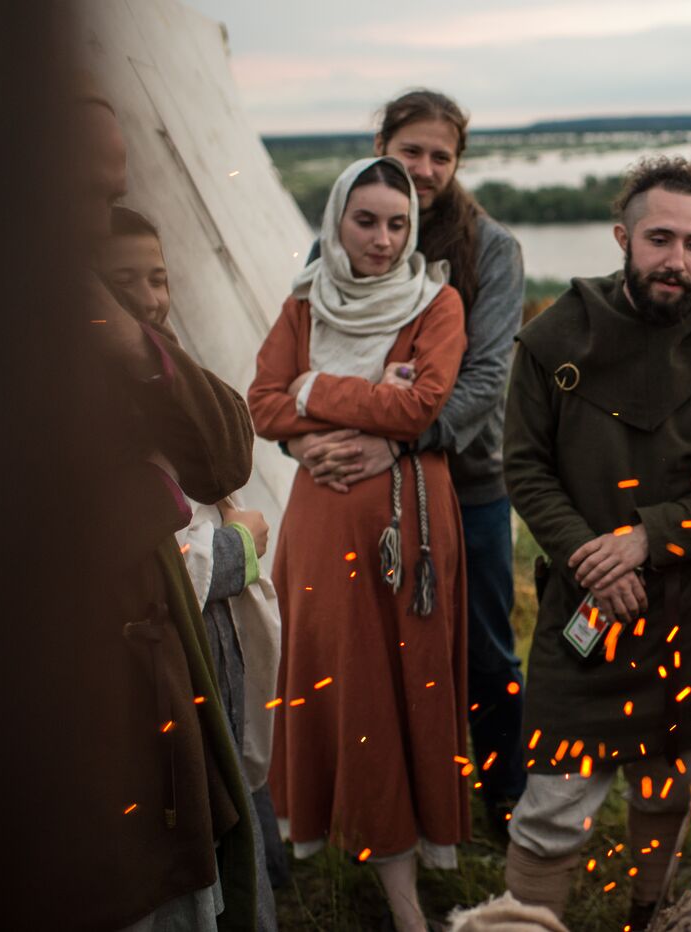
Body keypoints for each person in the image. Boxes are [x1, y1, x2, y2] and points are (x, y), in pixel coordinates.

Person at [501, 157, 691, 928]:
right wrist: (593, 557)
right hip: (581, 616)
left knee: (669, 784)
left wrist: (644, 540)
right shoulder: (552, 339)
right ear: (623, 237)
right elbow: (525, 468)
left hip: (687, 615)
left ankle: (645, 917)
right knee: (555, 799)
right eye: (660, 239)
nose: (677, 261)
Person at [288, 89, 528, 825]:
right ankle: (385, 806)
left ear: (458, 162)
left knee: (484, 651)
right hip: (355, 488)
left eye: (440, 156)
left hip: (466, 480)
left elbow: (486, 379)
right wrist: (300, 441)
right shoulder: (341, 234)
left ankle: (504, 801)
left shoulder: (491, 249)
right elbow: (297, 356)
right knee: (375, 650)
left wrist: (396, 439)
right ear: (383, 144)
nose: (423, 168)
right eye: (410, 150)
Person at [248, 155, 469, 932]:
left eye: (397, 224)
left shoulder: (436, 302)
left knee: (400, 686)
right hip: (322, 522)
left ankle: (406, 879)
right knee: (343, 684)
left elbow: (420, 406)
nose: (381, 240)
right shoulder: (306, 302)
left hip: (408, 525)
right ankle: (354, 853)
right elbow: (262, 405)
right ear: (337, 222)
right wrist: (313, 436)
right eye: (365, 221)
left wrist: (314, 390)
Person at [103, 204, 290, 909]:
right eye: (126, 279)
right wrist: (240, 544)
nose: (151, 297)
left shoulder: (169, 370)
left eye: (159, 277)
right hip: (165, 645)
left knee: (238, 779)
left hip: (212, 634)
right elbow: (154, 551)